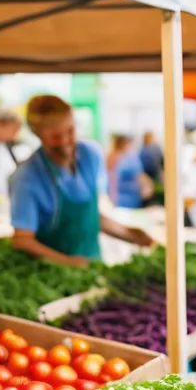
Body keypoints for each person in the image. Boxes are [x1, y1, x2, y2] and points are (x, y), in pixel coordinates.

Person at [9, 95, 152, 267]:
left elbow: (88, 217)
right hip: (51, 275)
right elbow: (22, 240)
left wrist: (130, 234)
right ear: (37, 133)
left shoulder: (90, 155)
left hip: (93, 264)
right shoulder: (27, 177)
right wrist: (68, 262)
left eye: (70, 131)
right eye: (55, 136)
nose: (64, 142)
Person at [106, 133, 153, 209]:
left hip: (128, 198)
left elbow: (141, 176)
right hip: (118, 198)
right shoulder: (114, 158)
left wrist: (147, 187)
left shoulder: (131, 159)